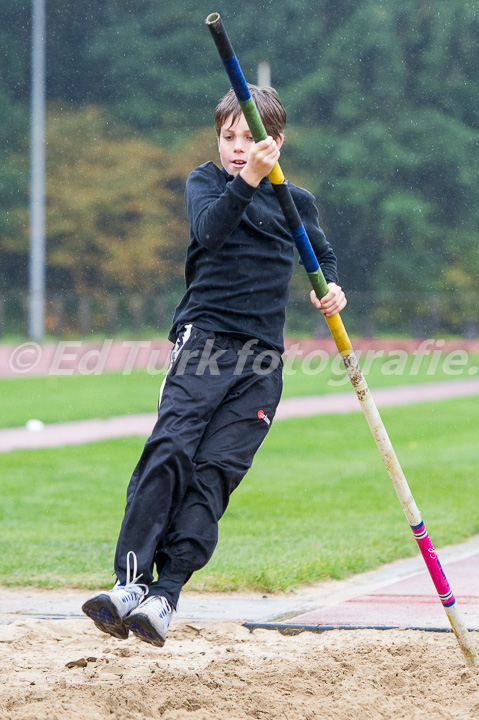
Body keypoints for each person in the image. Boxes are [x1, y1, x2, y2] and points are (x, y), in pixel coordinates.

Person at [82, 84, 347, 647]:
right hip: (204, 343)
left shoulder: (295, 202)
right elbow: (211, 229)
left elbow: (318, 255)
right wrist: (248, 177)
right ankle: (131, 582)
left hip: (262, 362)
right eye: (229, 137)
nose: (237, 148)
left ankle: (167, 594)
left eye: (250, 139)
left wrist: (331, 289)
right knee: (172, 449)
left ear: (276, 142)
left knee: (213, 475)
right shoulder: (205, 183)